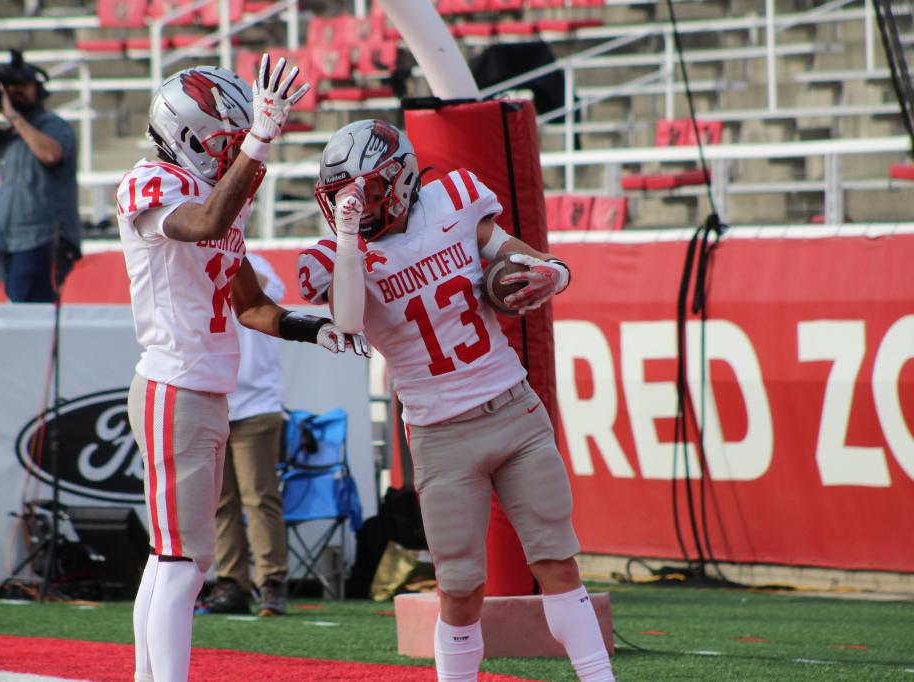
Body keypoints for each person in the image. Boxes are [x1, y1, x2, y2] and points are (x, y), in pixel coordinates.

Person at [298, 119, 615, 682]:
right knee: (460, 587)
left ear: (397, 181)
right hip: (440, 436)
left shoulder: (457, 200)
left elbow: (533, 260)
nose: (357, 207)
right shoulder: (338, 252)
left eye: (366, 194)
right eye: (344, 198)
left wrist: (555, 275)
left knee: (557, 564)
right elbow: (347, 321)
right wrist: (348, 238)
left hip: (514, 409)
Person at [118, 56, 369, 682]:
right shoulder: (149, 182)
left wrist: (316, 329)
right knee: (185, 563)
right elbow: (206, 223)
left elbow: (251, 304)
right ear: (191, 135)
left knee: (173, 559)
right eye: (227, 140)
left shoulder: (210, 193)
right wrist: (258, 142)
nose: (236, 154)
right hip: (173, 384)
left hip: (203, 388)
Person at [0, 51, 81, 303]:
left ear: (37, 88)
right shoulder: (7, 135)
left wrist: (13, 117)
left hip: (42, 239)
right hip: (8, 240)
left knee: (30, 311)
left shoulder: (51, 125)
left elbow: (51, 154)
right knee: (20, 308)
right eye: (9, 86)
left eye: (22, 85)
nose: (15, 91)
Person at [203, 252, 290, 617]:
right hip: (214, 399)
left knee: (258, 496)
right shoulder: (199, 261)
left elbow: (266, 290)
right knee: (221, 502)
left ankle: (271, 582)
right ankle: (231, 582)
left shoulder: (252, 261)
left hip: (255, 403)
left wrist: (226, 258)